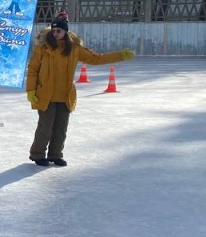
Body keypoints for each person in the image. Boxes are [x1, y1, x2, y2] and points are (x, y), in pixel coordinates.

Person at [25, 16, 136, 166]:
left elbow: (96, 59)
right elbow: (32, 70)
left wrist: (121, 55)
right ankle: (37, 154)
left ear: (65, 31)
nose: (55, 33)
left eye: (59, 30)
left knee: (61, 127)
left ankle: (55, 154)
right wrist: (31, 90)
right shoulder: (43, 47)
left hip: (65, 94)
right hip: (46, 94)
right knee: (46, 126)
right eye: (53, 30)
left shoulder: (74, 48)